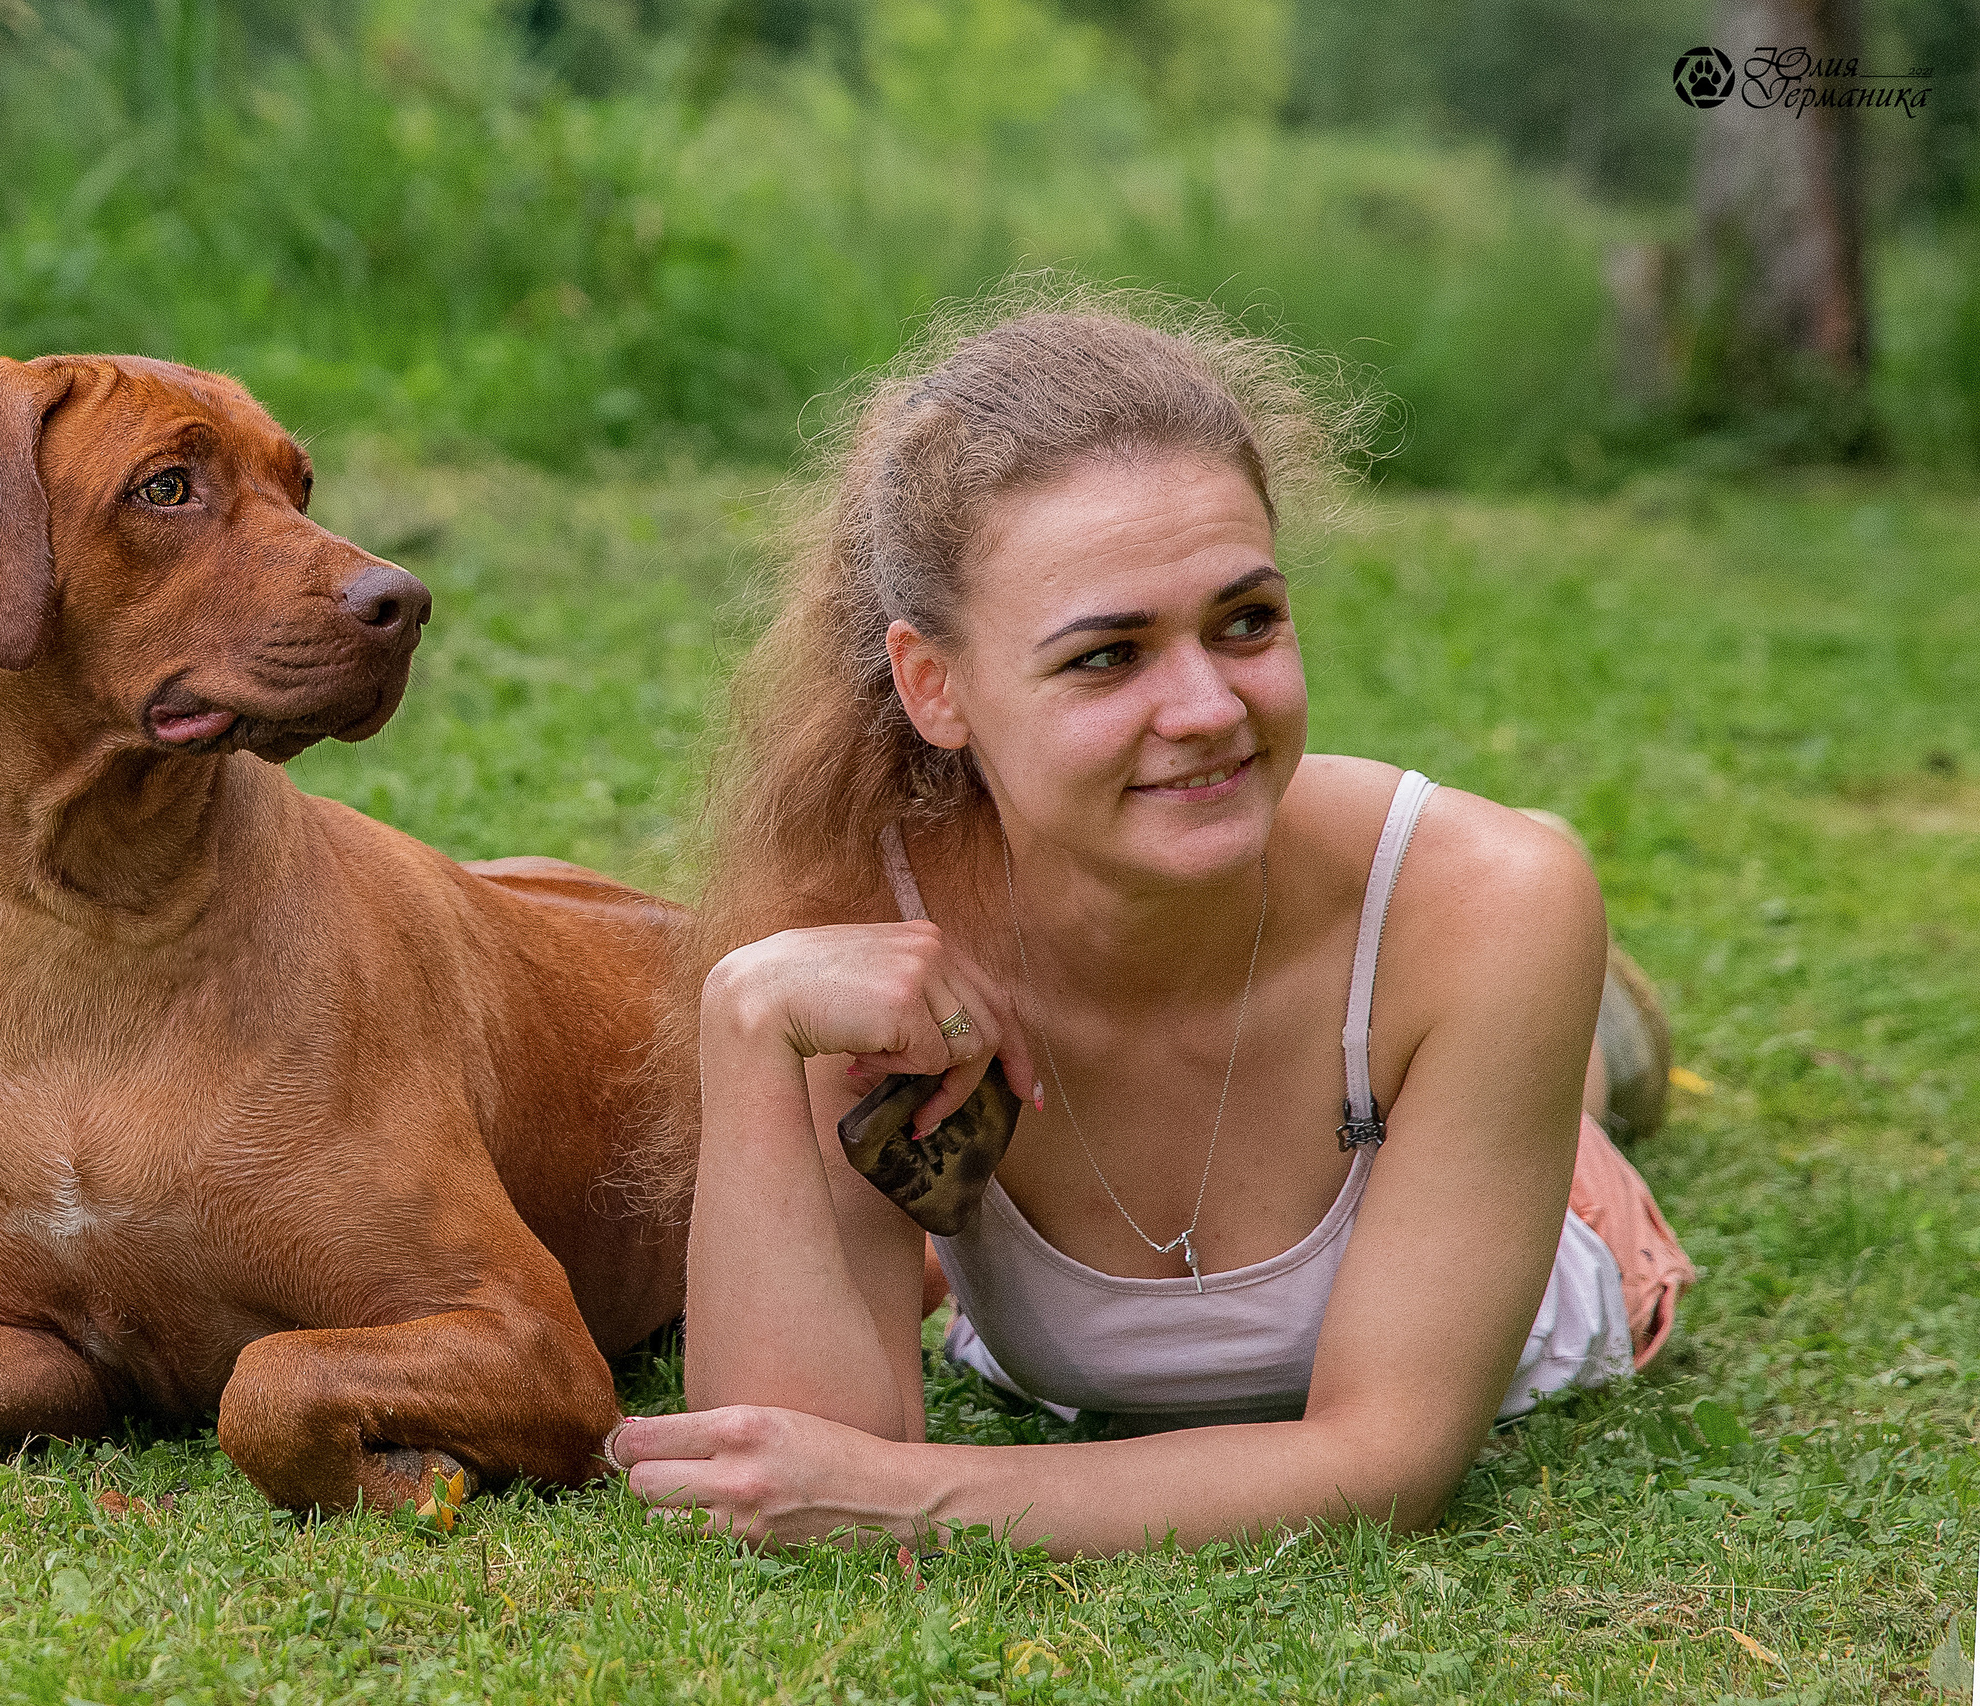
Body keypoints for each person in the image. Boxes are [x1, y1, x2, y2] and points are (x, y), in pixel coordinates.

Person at [608, 295, 1694, 1558]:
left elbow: (1385, 1460)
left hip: (1522, 1162)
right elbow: (788, 1460)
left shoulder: (1493, 900)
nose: (1205, 708)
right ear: (935, 687)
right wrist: (745, 1022)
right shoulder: (867, 923)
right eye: (1106, 657)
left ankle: (1580, 1037)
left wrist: (917, 1496)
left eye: (1245, 621)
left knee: (1546, 1063)